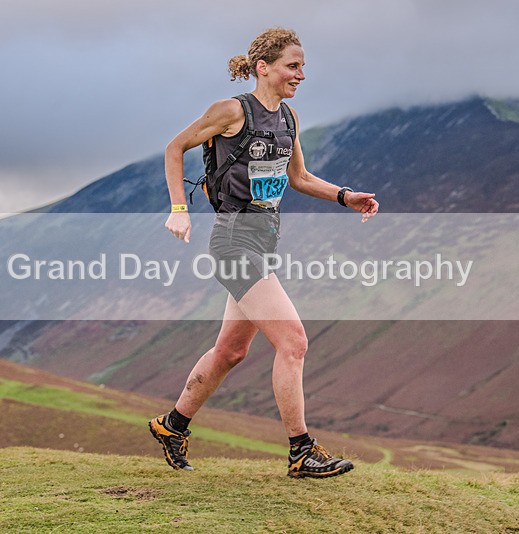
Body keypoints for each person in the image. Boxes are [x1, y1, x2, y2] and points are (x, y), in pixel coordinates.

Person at [149, 28, 378, 478]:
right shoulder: (231, 111)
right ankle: (301, 451)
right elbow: (175, 147)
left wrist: (345, 196)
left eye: (303, 67)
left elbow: (301, 177)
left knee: (231, 351)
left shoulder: (288, 118)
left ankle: (172, 426)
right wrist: (179, 209)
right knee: (293, 342)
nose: (301, 74)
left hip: (263, 242)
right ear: (263, 68)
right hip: (233, 241)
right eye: (293, 66)